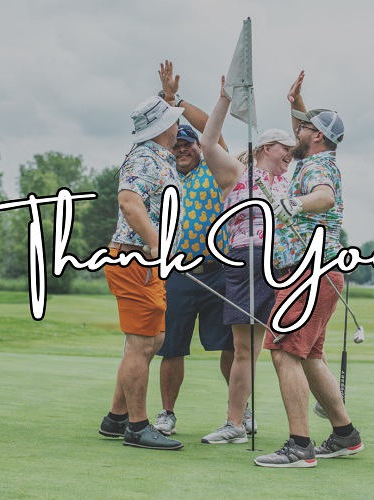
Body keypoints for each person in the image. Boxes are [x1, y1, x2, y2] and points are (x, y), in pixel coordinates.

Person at [254, 71, 364, 467]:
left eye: (301, 129)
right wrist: (295, 103)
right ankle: (345, 435)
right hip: (318, 271)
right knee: (310, 357)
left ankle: (300, 446)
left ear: (315, 136)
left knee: (284, 352)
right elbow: (305, 133)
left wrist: (295, 204)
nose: (293, 134)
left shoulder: (319, 167)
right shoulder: (315, 154)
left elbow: (323, 196)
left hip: (308, 271)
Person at [200, 76, 296, 444]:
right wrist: (224, 98)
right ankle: (235, 424)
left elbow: (304, 144)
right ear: (267, 147)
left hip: (283, 266)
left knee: (291, 350)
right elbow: (208, 142)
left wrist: (294, 104)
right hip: (244, 260)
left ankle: (316, 426)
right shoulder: (239, 174)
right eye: (284, 149)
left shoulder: (289, 183)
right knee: (245, 350)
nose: (290, 156)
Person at [150, 60, 242, 436]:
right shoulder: (163, 169)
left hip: (218, 272)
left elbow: (211, 131)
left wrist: (175, 100)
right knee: (171, 347)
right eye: (177, 144)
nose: (182, 150)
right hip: (177, 274)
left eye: (188, 144)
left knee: (231, 347)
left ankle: (239, 412)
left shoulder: (212, 167)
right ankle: (167, 413)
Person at [98, 95, 185, 450]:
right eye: (174, 120)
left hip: (145, 263)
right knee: (141, 344)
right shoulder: (144, 158)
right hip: (136, 261)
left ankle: (116, 417)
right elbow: (129, 202)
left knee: (152, 341)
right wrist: (157, 244)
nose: (179, 126)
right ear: (163, 128)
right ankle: (136, 427)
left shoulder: (158, 158)